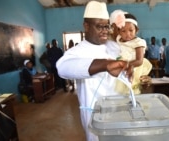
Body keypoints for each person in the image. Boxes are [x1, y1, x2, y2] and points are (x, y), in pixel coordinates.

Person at [56, 1, 133, 141]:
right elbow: (62, 68)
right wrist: (104, 65)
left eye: (106, 26)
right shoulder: (78, 51)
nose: (105, 30)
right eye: (99, 26)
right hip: (94, 115)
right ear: (86, 26)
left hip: (118, 110)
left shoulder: (114, 47)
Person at [110, 11, 152, 94]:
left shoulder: (138, 42)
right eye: (123, 31)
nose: (127, 34)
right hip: (122, 69)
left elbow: (139, 60)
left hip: (134, 66)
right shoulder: (119, 39)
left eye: (131, 30)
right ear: (119, 31)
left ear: (136, 30)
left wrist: (127, 65)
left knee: (132, 88)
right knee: (120, 90)